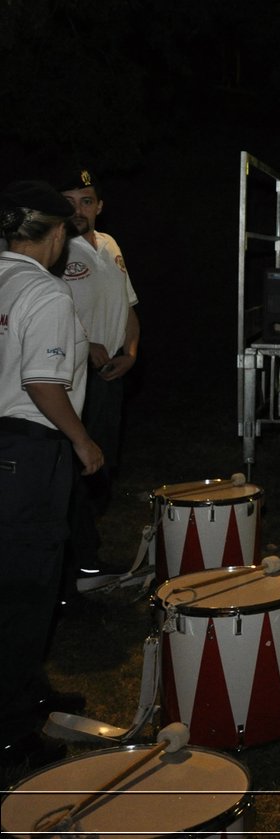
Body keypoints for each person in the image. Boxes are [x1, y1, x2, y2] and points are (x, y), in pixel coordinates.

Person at [0, 181, 103, 773]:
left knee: (15, 580)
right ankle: (12, 735)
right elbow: (43, 382)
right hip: (28, 453)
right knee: (25, 596)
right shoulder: (46, 292)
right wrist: (82, 440)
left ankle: (29, 692)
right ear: (58, 233)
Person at [57, 169, 138, 592]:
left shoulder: (109, 245)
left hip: (110, 374)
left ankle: (85, 556)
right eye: (68, 201)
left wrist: (132, 353)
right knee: (78, 464)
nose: (78, 210)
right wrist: (86, 344)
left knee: (104, 463)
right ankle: (81, 564)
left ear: (99, 205)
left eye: (85, 200)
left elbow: (128, 305)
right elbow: (54, 313)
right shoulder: (52, 247)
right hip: (72, 375)